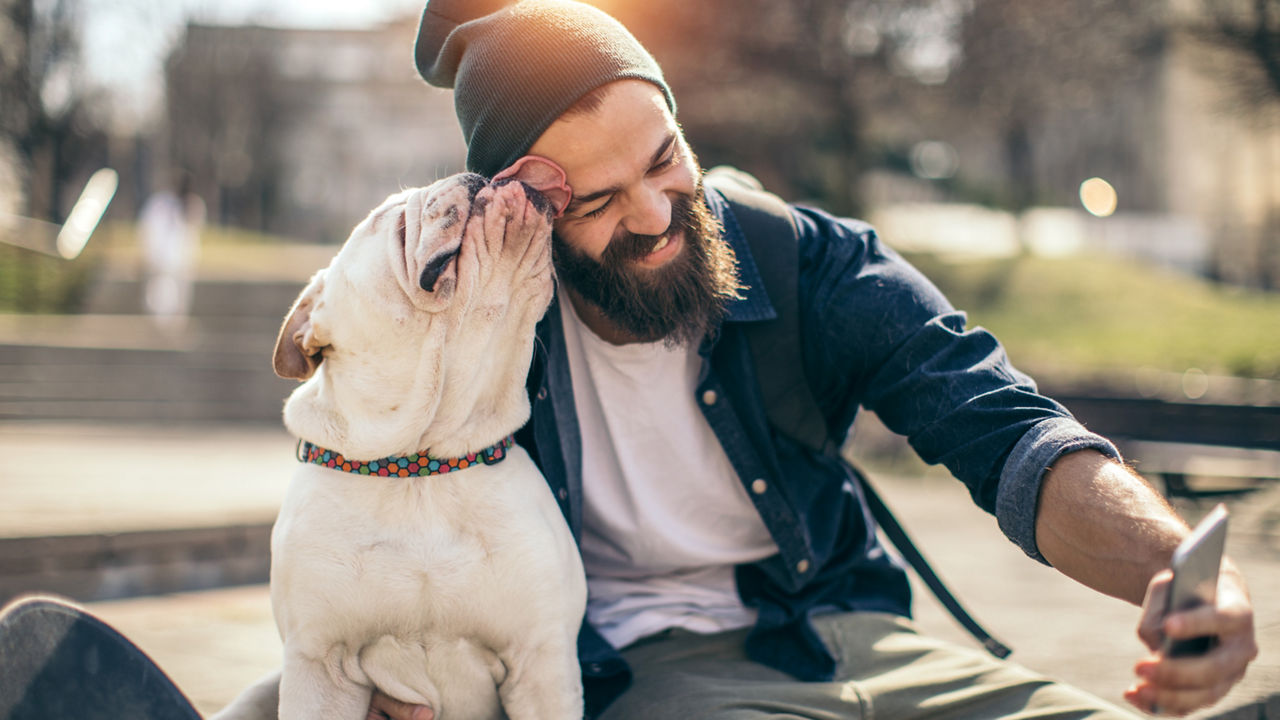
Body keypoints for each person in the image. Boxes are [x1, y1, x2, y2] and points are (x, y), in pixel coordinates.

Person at [0, 2, 1256, 719]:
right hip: (616, 672)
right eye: (595, 201)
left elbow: (1006, 433)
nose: (653, 213)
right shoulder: (478, 324)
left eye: (663, 160)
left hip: (833, 633)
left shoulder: (803, 261)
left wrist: (1170, 573)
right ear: (519, 214)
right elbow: (371, 509)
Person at [139, 172, 205, 332]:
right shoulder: (160, 203)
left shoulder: (192, 204)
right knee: (159, 295)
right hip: (161, 257)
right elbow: (148, 228)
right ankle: (158, 327)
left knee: (179, 297)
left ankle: (175, 327)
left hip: (182, 259)